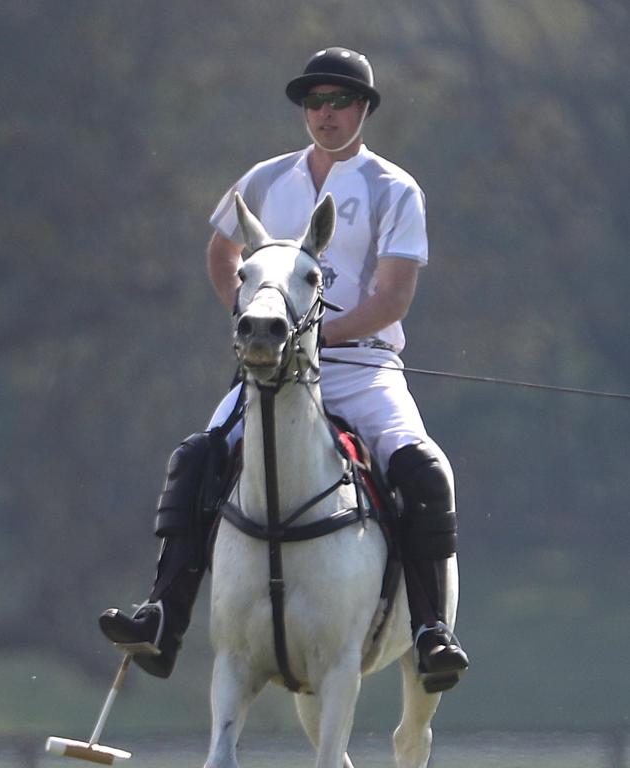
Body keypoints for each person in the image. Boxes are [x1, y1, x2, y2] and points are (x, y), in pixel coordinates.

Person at [100, 46, 469, 691]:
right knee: (197, 458)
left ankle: (433, 632)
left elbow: (392, 297)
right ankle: (162, 618)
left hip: (363, 369)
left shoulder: (393, 188)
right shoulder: (266, 180)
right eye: (315, 102)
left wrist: (310, 335)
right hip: (271, 372)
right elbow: (223, 250)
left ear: (364, 109)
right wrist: (254, 326)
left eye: (340, 102)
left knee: (424, 470)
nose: (326, 115)